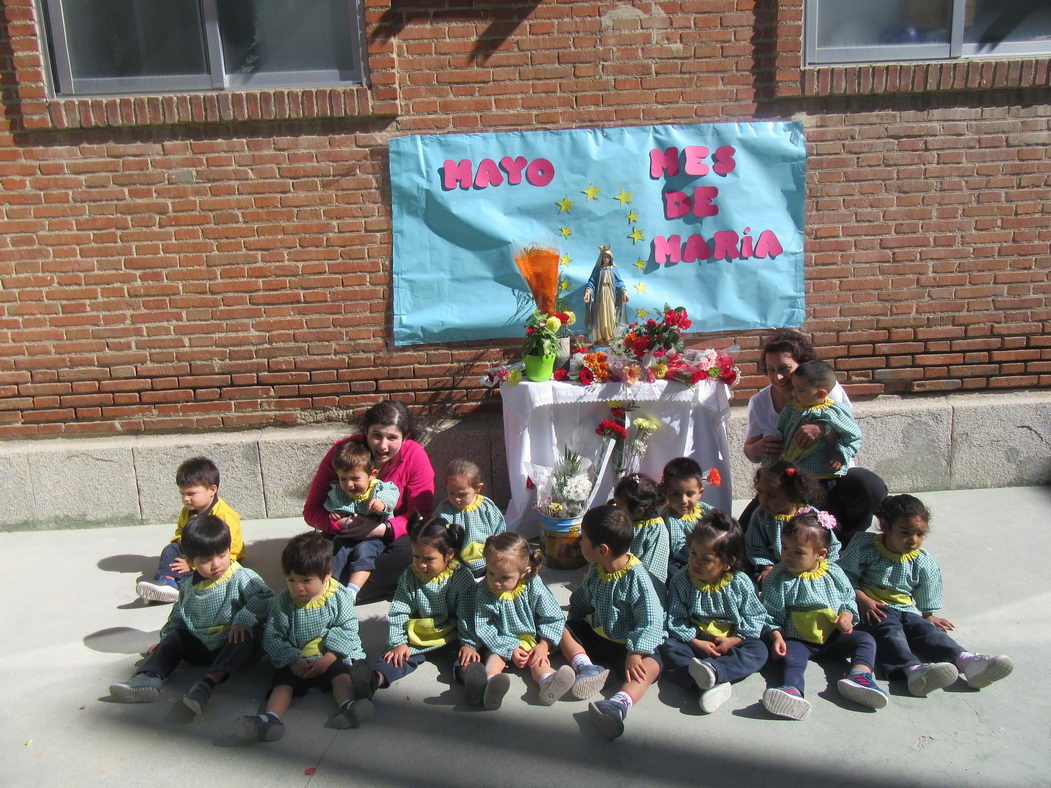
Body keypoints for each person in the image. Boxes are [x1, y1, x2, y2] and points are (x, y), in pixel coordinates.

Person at [837, 494, 1013, 696]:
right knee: (890, 633)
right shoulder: (865, 546)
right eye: (905, 532)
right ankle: (912, 670)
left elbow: (927, 586)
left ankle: (966, 661)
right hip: (874, 610)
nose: (913, 540)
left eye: (920, 534)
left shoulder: (921, 560)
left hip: (905, 609)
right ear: (885, 526)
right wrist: (863, 599)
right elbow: (843, 575)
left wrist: (928, 615)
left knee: (926, 631)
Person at [110, 515, 272, 715]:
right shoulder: (188, 587)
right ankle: (147, 678)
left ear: (230, 549)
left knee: (252, 637)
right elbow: (178, 615)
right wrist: (165, 639)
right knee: (175, 638)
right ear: (190, 561)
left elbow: (266, 598)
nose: (216, 564)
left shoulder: (242, 577)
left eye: (222, 554)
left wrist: (244, 618)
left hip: (232, 641)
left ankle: (206, 685)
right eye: (206, 560)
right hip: (203, 645)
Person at [741, 329, 887, 543]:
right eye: (770, 370)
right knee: (746, 530)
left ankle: (849, 539)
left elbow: (850, 429)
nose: (777, 377)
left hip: (832, 474)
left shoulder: (825, 387)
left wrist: (823, 428)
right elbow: (750, 449)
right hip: (789, 480)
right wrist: (757, 449)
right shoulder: (760, 401)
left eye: (785, 369)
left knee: (869, 486)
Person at [236, 533, 374, 742]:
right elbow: (273, 635)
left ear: (327, 574)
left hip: (329, 655)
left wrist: (328, 657)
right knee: (283, 684)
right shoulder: (283, 602)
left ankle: (349, 707)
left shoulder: (338, 596)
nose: (297, 587)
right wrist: (293, 659)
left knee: (341, 676)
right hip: (296, 658)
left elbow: (347, 627)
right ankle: (270, 719)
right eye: (291, 579)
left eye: (306, 580)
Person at [303, 400, 435, 604]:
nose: (383, 446)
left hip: (390, 537)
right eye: (376, 435)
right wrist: (338, 524)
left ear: (405, 437)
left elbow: (421, 515)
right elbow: (311, 511)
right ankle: (357, 588)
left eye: (392, 438)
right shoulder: (343, 453)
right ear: (366, 431)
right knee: (309, 558)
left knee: (414, 554)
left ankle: (345, 592)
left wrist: (383, 529)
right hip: (343, 535)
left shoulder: (414, 455)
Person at [761, 512, 888, 721]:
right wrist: (776, 637)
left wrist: (846, 617)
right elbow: (770, 613)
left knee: (865, 640)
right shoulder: (778, 578)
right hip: (798, 639)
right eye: (784, 548)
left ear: (820, 554)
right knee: (791, 660)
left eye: (798, 552)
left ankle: (860, 676)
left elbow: (847, 598)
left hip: (833, 636)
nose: (788, 556)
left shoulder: (834, 573)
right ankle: (792, 691)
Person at [559, 505, 665, 740]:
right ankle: (587, 668)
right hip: (598, 636)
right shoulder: (598, 569)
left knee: (652, 664)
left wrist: (636, 651)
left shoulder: (637, 578)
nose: (580, 543)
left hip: (626, 649)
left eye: (583, 539)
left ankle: (619, 704)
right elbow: (583, 599)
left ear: (603, 549)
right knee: (561, 628)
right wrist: (573, 625)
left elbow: (652, 618)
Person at [659, 511, 770, 714]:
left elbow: (755, 615)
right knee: (668, 647)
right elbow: (675, 617)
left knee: (759, 650)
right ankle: (706, 686)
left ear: (727, 562)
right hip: (695, 643)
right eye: (693, 553)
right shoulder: (682, 580)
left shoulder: (740, 583)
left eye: (706, 559)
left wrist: (735, 640)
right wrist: (694, 641)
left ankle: (716, 672)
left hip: (730, 641)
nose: (695, 562)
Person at [460, 533, 574, 710]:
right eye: (490, 573)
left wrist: (544, 645)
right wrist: (510, 647)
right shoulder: (484, 591)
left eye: (504, 577)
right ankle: (490, 684)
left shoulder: (532, 585)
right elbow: (485, 626)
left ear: (523, 572)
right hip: (500, 641)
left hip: (531, 640)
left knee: (538, 661)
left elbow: (552, 615)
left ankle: (548, 682)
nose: (495, 582)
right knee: (493, 659)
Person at [373, 514, 478, 690]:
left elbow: (467, 614)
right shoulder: (410, 574)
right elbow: (399, 608)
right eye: (416, 557)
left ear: (450, 554)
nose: (421, 565)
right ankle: (374, 679)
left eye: (429, 559)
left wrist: (468, 644)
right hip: (418, 635)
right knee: (394, 658)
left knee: (466, 659)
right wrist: (398, 642)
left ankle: (473, 681)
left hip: (452, 635)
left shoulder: (461, 577)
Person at [136, 456, 243, 604]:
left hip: (218, 559)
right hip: (196, 553)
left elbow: (231, 550)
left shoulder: (225, 515)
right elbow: (180, 532)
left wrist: (193, 565)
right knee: (170, 550)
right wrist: (183, 544)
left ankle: (180, 586)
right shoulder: (187, 511)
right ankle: (166, 580)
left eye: (191, 494)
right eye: (182, 494)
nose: (186, 499)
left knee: (209, 574)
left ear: (212, 490)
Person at [323, 440, 401, 599]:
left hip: (372, 537)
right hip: (348, 535)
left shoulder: (379, 488)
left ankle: (352, 590)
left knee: (364, 553)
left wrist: (382, 503)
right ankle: (330, 587)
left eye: (355, 478)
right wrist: (335, 515)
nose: (349, 485)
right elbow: (332, 506)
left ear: (372, 474)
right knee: (336, 551)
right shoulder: (339, 491)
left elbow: (392, 494)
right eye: (343, 479)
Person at [747, 461, 840, 582]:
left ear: (793, 494)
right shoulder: (761, 516)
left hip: (809, 570)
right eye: (760, 492)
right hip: (777, 571)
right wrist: (767, 567)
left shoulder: (811, 516)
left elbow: (831, 545)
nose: (763, 499)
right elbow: (755, 546)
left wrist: (821, 567)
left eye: (771, 495)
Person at [774, 360, 863, 481]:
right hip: (793, 471)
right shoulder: (791, 408)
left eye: (800, 390)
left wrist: (841, 455)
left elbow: (853, 436)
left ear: (821, 393)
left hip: (824, 474)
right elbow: (780, 430)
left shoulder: (835, 411)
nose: (793, 393)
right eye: (793, 387)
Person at [433, 458, 507, 578]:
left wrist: (498, 555)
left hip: (487, 564)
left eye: (462, 494)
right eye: (451, 493)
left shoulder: (486, 507)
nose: (456, 498)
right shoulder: (443, 510)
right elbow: (436, 536)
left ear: (478, 488)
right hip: (456, 566)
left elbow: (500, 531)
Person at [660, 457, 715, 578]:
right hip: (684, 561)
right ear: (665, 492)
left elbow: (721, 525)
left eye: (690, 494)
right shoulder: (670, 519)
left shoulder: (706, 510)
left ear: (700, 493)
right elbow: (679, 550)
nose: (683, 500)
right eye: (676, 494)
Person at [614, 473, 669, 589]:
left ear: (639, 511)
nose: (616, 510)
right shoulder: (622, 523)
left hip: (641, 588)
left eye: (619, 507)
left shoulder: (655, 530)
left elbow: (653, 569)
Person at [583, 244, 628, 345]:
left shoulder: (614, 269)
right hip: (600, 295)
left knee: (611, 314)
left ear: (611, 258)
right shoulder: (598, 269)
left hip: (611, 295)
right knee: (601, 314)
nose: (606, 259)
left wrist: (624, 292)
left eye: (608, 257)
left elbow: (619, 282)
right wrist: (588, 292)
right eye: (604, 257)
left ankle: (610, 335)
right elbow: (591, 282)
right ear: (601, 258)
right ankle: (600, 336)